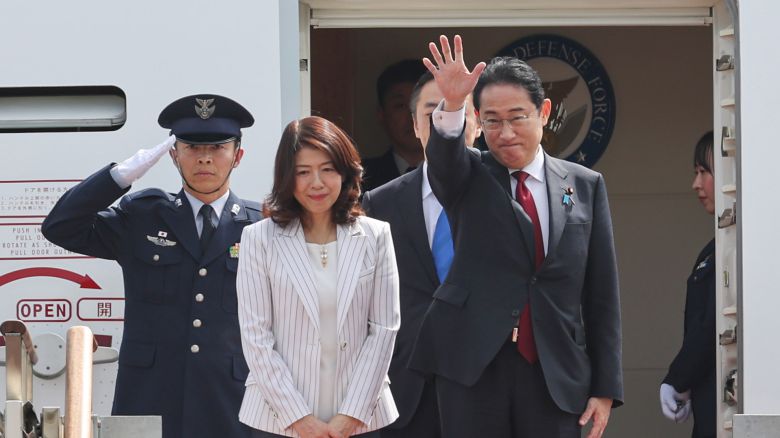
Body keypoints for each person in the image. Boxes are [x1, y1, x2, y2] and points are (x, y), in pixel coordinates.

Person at [407, 35, 623, 438]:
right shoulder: (467, 175)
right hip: (474, 370)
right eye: (491, 120)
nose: (505, 133)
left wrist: (605, 387)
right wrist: (451, 104)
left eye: (517, 117)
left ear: (544, 112)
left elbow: (601, 294)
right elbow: (443, 161)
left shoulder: (585, 185)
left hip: (554, 372)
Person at [41, 94, 261, 438]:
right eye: (191, 147)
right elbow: (60, 227)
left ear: (238, 156)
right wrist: (119, 177)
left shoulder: (260, 226)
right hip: (150, 397)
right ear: (173, 155)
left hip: (231, 402)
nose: (204, 157)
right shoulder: (143, 216)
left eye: (218, 147)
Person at [236, 116, 400, 438]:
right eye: (303, 172)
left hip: (360, 419)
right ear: (286, 176)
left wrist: (351, 415)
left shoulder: (376, 235)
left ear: (345, 172)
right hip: (279, 421)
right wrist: (299, 419)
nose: (317, 183)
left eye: (328, 169)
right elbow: (256, 337)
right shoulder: (258, 239)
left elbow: (384, 329)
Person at [362, 70, 481, 438]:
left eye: (456, 111)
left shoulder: (505, 194)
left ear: (477, 123)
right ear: (415, 124)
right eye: (432, 112)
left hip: (486, 385)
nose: (444, 122)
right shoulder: (380, 202)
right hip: (407, 388)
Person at [660, 131, 716, 438]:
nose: (696, 184)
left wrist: (678, 379)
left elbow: (712, 323)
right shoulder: (714, 249)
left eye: (704, 172)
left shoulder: (738, 248)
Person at [361, 59, 427, 192]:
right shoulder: (361, 178)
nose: (413, 116)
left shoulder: (459, 173)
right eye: (400, 105)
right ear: (381, 114)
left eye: (421, 103)